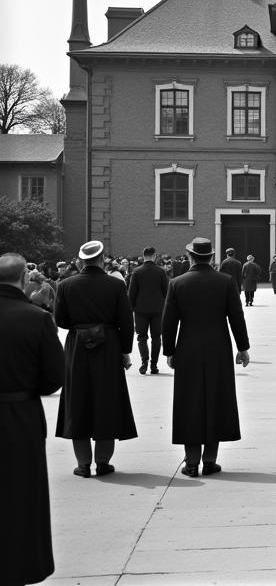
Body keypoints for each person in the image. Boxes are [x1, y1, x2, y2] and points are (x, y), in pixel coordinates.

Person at [0, 253, 65, 586]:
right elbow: (54, 377)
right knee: (21, 496)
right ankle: (19, 567)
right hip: (20, 416)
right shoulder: (36, 318)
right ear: (24, 279)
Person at [162, 237, 250, 477]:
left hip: (188, 347)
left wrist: (169, 350)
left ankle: (191, 463)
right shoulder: (225, 282)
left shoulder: (177, 283)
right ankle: (210, 461)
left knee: (189, 401)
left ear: (190, 256)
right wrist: (242, 347)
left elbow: (168, 322)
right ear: (211, 257)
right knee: (217, 399)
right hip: (218, 347)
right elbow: (236, 317)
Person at [53, 240, 137, 477]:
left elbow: (61, 320)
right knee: (106, 400)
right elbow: (126, 322)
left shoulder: (66, 285)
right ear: (102, 260)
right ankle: (102, 462)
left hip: (78, 344)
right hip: (108, 344)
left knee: (77, 401)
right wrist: (125, 350)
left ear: (80, 261)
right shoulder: (115, 285)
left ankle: (83, 464)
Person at [128, 245, 170, 374]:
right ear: (154, 256)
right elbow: (166, 292)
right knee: (156, 337)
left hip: (140, 310)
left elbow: (132, 294)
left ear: (143, 256)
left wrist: (131, 310)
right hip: (158, 309)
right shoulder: (161, 271)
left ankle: (144, 362)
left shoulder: (136, 271)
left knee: (141, 337)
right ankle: (154, 365)